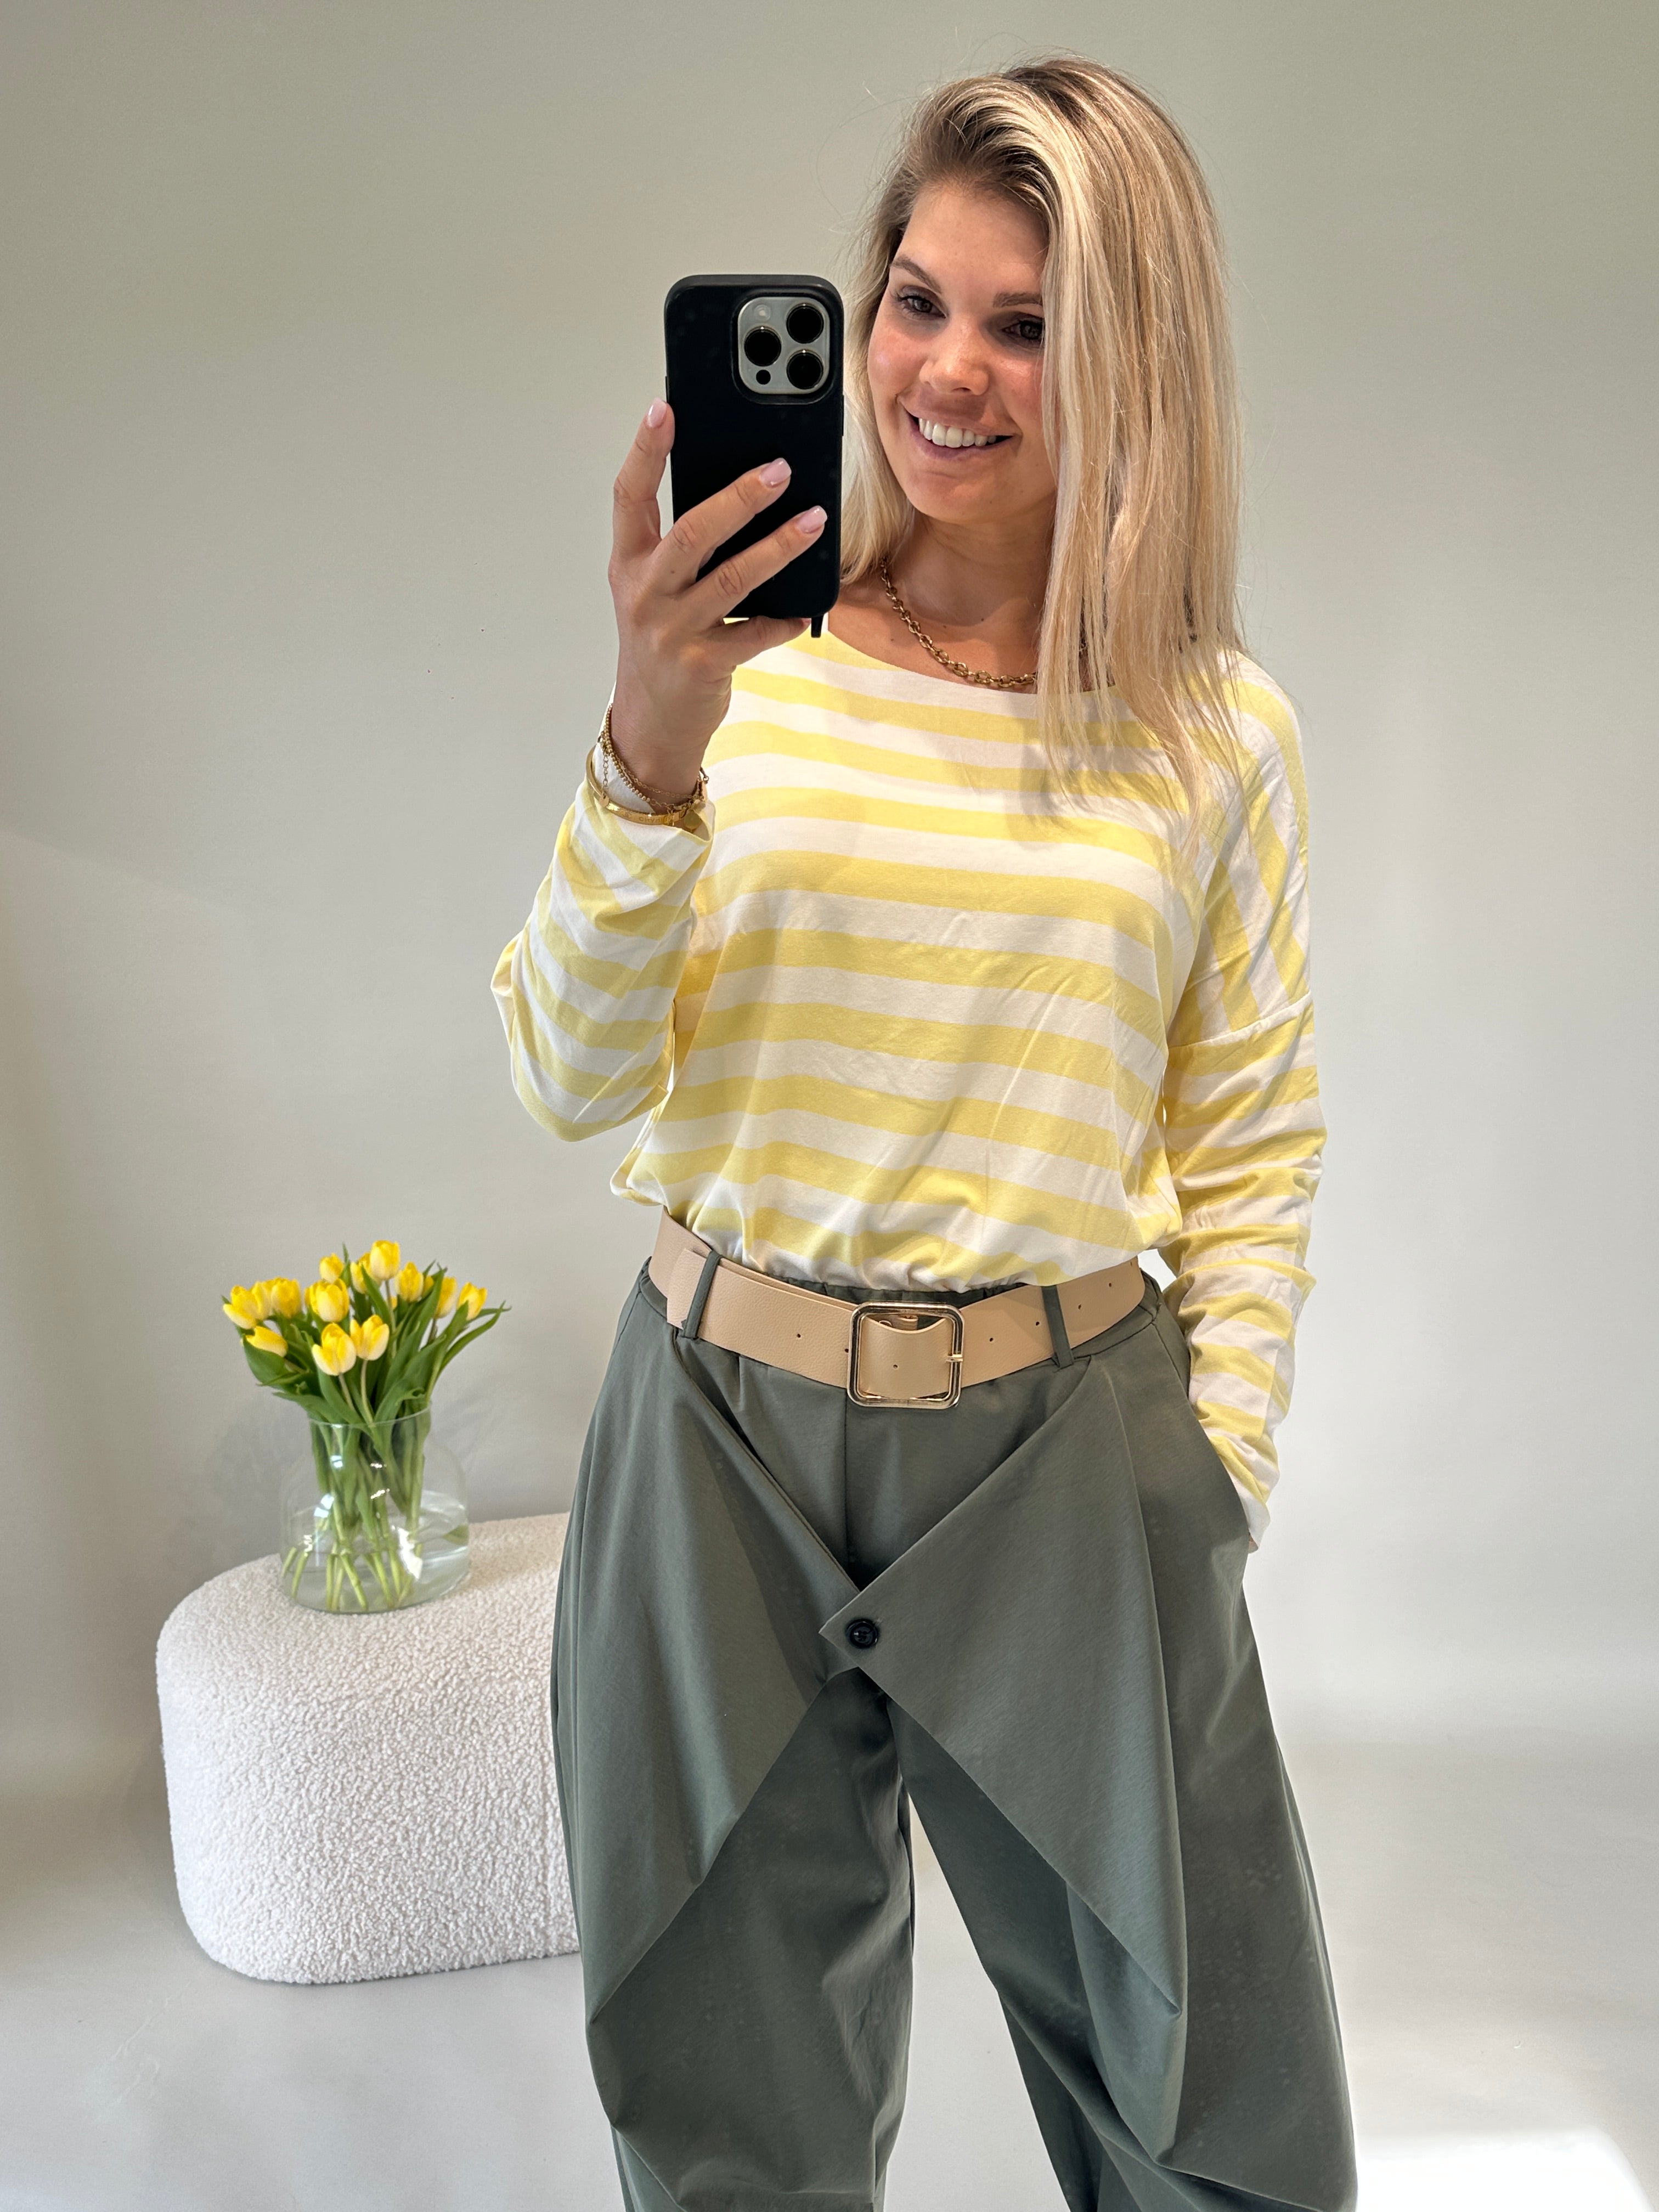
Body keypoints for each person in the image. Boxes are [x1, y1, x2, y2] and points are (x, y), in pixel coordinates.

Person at [492, 52, 1357, 2212]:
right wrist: (646, 745)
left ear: (1135, 362)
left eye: (1025, 323)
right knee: (725, 2106)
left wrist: (1216, 1472)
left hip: (1069, 1447)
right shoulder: (742, 677)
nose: (944, 370)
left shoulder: (1213, 734)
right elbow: (567, 1072)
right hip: (716, 1443)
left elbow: (1251, 1134)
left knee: (1214, 2108)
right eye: (914, 299)